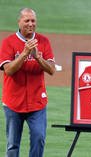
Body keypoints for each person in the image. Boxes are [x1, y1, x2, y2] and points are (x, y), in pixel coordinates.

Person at [0, 8, 56, 157]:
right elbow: (8, 70)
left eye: (33, 21)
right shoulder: (8, 42)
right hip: (13, 102)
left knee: (39, 138)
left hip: (37, 102)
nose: (30, 24)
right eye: (27, 20)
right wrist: (24, 53)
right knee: (12, 144)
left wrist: (38, 57)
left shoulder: (43, 41)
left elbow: (51, 70)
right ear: (19, 22)